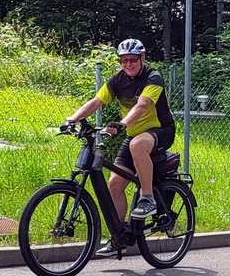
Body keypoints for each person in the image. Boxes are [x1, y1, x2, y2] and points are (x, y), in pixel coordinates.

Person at [64, 38, 176, 249]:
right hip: (133, 133)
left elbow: (142, 106)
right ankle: (119, 237)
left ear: (142, 58)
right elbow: (96, 102)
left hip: (160, 131)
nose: (128, 65)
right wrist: (72, 119)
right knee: (114, 184)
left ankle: (148, 197)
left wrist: (122, 124)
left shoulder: (153, 77)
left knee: (137, 145)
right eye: (123, 61)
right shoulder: (118, 80)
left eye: (132, 60)